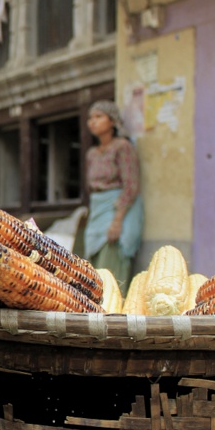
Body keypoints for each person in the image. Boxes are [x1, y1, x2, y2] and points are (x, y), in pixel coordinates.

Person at [83, 100, 144, 292]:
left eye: (99, 117)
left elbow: (131, 185)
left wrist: (117, 220)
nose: (93, 122)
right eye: (90, 118)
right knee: (92, 268)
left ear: (112, 121)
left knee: (111, 263)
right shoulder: (92, 153)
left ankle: (112, 311)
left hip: (116, 209)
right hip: (98, 209)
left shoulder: (122, 147)